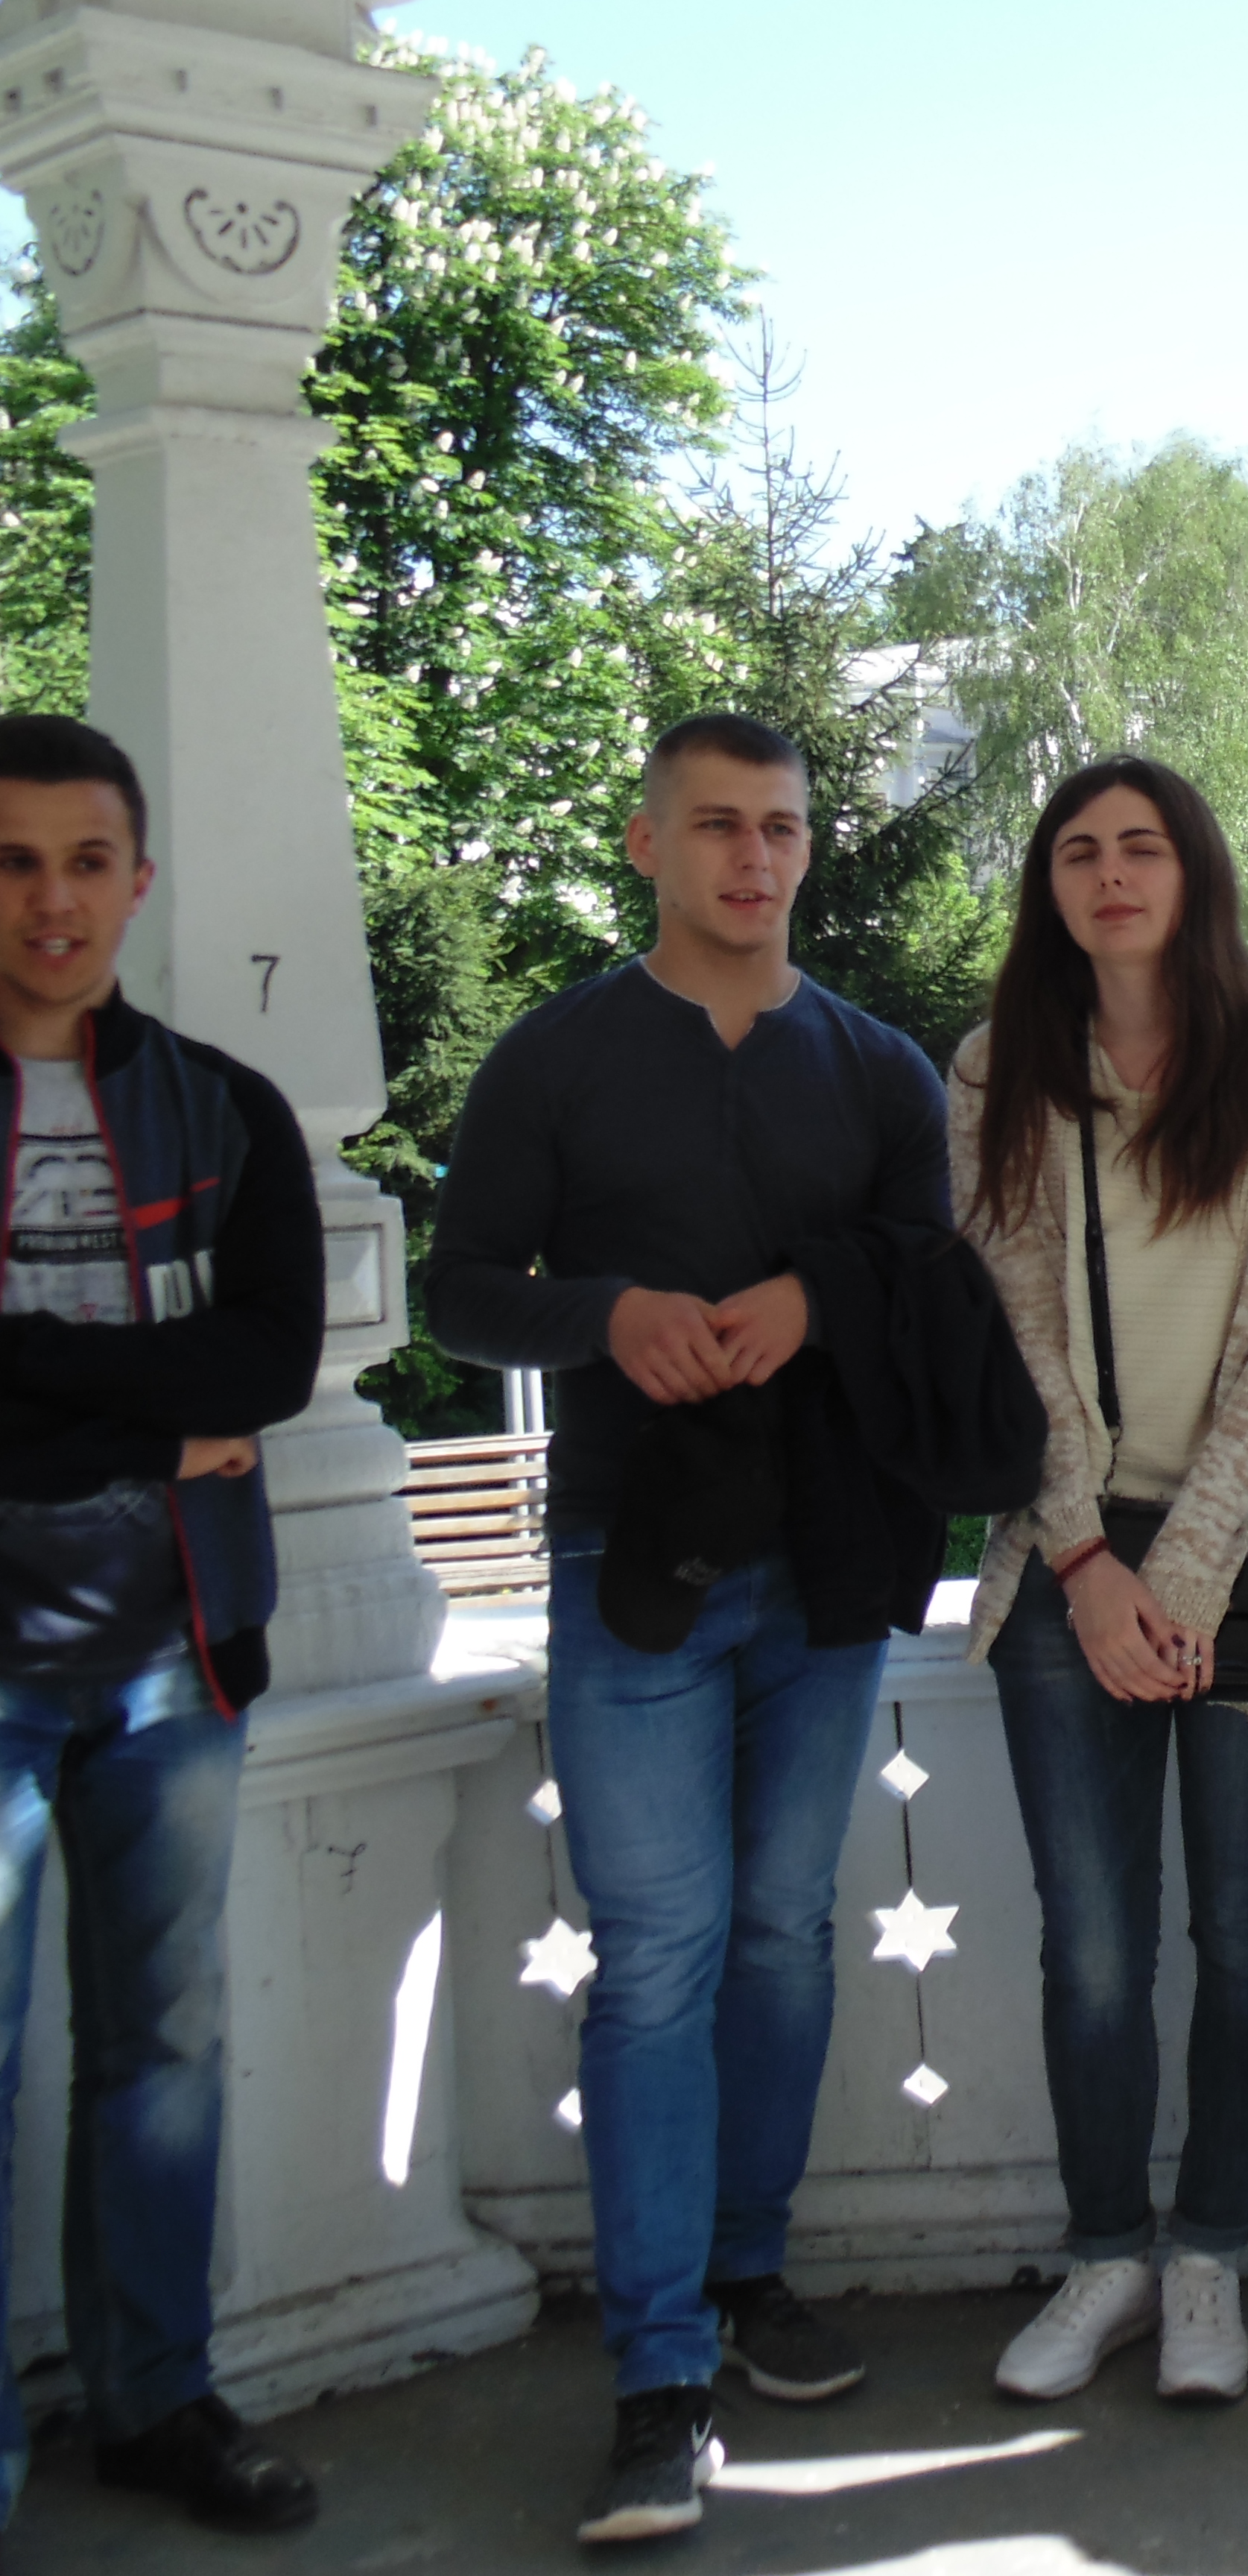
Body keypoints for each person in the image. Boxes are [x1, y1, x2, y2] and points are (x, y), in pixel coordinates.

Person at [423, 713, 966, 2546]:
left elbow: (932, 1283)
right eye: (718, 825)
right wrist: (606, 1315)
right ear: (648, 842)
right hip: (633, 1561)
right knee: (656, 1954)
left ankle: (748, 2272)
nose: (755, 857)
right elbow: (459, 1294)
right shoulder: (556, 1056)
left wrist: (819, 1297)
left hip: (828, 1559)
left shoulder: (878, 1068)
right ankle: (658, 2377)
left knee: (784, 1934)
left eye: (782, 827)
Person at [950, 757, 1248, 2408]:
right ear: (1047, 885)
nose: (1110, 873)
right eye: (1078, 850)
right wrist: (1084, 1562)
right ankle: (1106, 2254)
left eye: (1141, 847)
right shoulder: (998, 1070)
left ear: (1195, 872)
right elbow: (1011, 1336)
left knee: (1246, 1926)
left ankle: (1207, 2257)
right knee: (1094, 1944)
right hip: (1070, 1563)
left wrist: (1180, 1573)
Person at [0, 714, 324, 2536]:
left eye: (85, 860)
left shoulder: (223, 1109)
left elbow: (263, 1366)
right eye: (13, 861)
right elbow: (195, 1388)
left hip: (172, 1656)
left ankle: (154, 2399)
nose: (51, 899)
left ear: (138, 880)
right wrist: (146, 1414)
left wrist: (39, 1382)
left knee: (161, 2052)